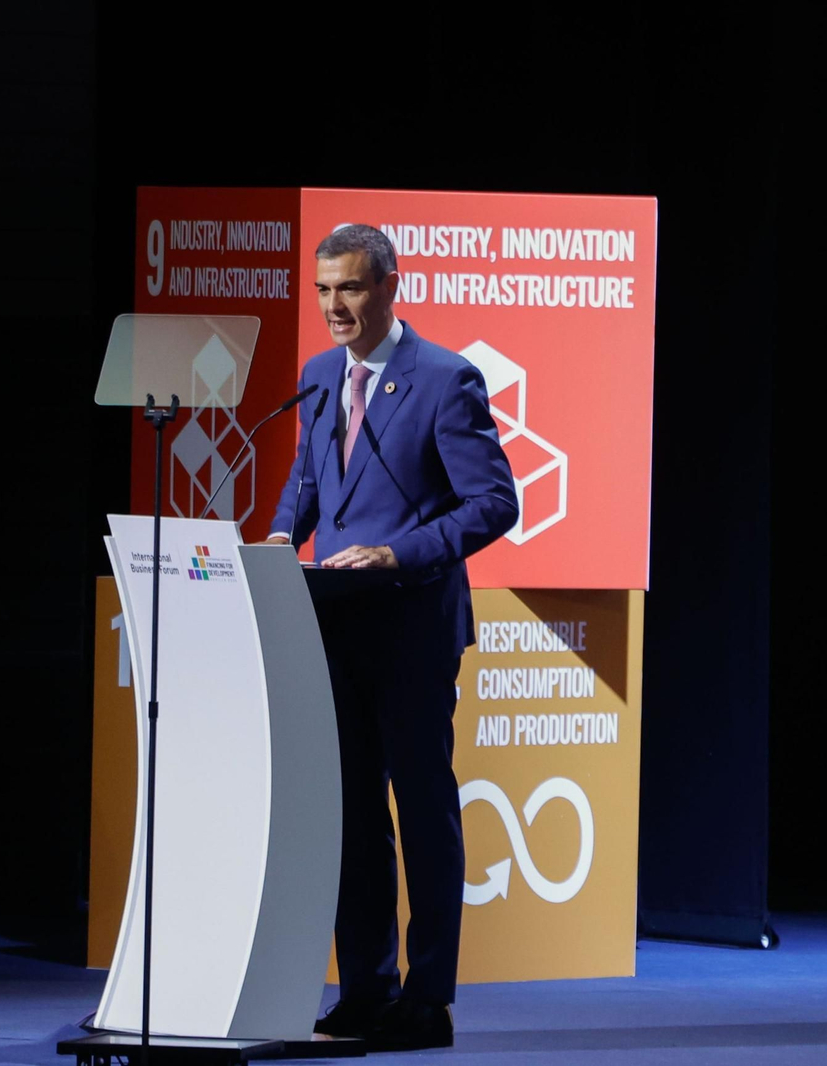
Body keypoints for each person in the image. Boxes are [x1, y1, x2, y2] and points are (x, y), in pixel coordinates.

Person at [264, 223, 518, 1051]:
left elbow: (492, 503)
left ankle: (428, 998)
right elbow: (308, 481)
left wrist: (399, 550)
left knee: (422, 807)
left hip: (411, 622)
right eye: (324, 290)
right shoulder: (314, 376)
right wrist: (276, 537)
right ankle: (365, 989)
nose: (335, 307)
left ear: (389, 286)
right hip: (332, 625)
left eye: (351, 289)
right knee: (351, 815)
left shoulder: (446, 379)